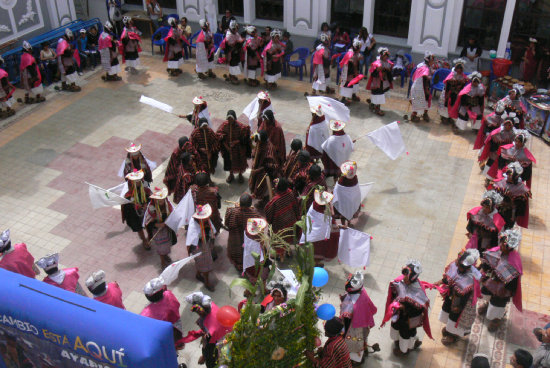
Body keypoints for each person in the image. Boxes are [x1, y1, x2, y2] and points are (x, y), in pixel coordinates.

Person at [381, 260, 433, 356]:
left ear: (413, 278)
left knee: (406, 334)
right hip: (398, 315)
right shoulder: (399, 282)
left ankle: (404, 350)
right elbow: (395, 293)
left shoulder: (419, 292)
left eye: (407, 277)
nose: (404, 278)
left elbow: (419, 310)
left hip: (408, 320)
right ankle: (398, 342)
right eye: (404, 275)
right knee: (396, 327)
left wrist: (404, 308)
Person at [478, 229, 523, 332]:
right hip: (490, 282)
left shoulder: (514, 263)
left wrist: (503, 287)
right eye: (502, 243)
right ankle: (488, 304)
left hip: (503, 289)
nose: (501, 246)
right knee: (486, 295)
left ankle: (497, 319)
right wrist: (483, 271)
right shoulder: (496, 251)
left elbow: (513, 282)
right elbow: (486, 264)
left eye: (505, 245)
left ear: (510, 247)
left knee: (496, 307)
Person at [435, 249, 481, 345]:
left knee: (454, 318)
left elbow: (465, 294)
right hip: (451, 296)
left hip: (461, 303)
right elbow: (448, 278)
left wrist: (459, 307)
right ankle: (449, 329)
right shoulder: (455, 265)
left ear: (468, 268)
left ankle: (453, 335)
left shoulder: (471, 278)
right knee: (447, 312)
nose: (457, 266)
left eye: (461, 266)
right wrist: (440, 282)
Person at [340, 272, 379, 365]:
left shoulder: (354, 306)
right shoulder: (362, 291)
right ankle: (360, 353)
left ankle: (357, 361)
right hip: (361, 324)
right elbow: (371, 308)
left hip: (354, 328)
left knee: (355, 343)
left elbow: (347, 317)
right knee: (360, 340)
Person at [185, 292, 231, 368]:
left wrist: (204, 356)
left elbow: (206, 342)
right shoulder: (212, 307)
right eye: (196, 310)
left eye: (199, 310)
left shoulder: (211, 328)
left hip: (218, 346)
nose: (198, 313)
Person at [225, 193, 262, 273]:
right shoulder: (254, 214)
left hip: (235, 240)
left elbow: (227, 224)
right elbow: (259, 227)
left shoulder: (232, 212)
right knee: (247, 253)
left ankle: (239, 265)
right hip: (248, 240)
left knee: (237, 252)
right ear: (250, 204)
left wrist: (236, 208)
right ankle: (247, 266)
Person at [265, 178, 300, 259]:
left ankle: (278, 254)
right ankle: (288, 250)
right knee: (288, 237)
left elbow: (268, 214)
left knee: (278, 239)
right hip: (291, 223)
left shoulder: (274, 201)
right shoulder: (291, 193)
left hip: (279, 227)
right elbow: (296, 207)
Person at [140, 277, 183, 343]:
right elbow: (177, 304)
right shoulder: (169, 294)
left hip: (163, 334)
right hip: (176, 325)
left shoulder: (145, 314)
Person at [300, 189, 337, 265]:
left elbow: (309, 219)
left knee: (312, 252)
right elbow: (332, 227)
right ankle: (318, 264)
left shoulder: (313, 206)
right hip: (321, 240)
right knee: (319, 252)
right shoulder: (327, 214)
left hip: (311, 236)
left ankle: (313, 264)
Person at [144, 187, 177, 268]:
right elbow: (148, 222)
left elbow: (172, 215)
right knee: (160, 247)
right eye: (159, 200)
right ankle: (162, 260)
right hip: (157, 232)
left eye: (162, 199)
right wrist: (157, 225)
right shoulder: (151, 208)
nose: (161, 201)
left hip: (166, 230)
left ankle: (165, 255)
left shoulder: (167, 205)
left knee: (167, 244)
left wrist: (167, 223)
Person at [479, 114, 516, 184]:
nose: (508, 127)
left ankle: (496, 180)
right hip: (495, 152)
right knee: (490, 164)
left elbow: (513, 145)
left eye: (509, 125)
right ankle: (487, 179)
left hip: (504, 155)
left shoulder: (513, 135)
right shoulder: (498, 132)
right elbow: (491, 137)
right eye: (506, 124)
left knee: (499, 168)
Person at [186, 204, 217, 291]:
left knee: (203, 263)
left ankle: (198, 274)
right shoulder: (194, 225)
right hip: (198, 247)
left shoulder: (206, 220)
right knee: (204, 265)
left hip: (205, 245)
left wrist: (211, 242)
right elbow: (192, 239)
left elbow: (211, 231)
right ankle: (207, 282)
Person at [492, 162, 531, 229]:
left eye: (510, 175)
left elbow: (521, 204)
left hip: (510, 213)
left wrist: (512, 199)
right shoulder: (501, 182)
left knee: (507, 227)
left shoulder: (521, 188)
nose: (508, 177)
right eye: (508, 174)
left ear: (515, 177)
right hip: (499, 209)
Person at [466, 190, 505, 254]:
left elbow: (498, 236)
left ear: (492, 208)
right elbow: (471, 223)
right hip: (475, 238)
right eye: (483, 206)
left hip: (487, 242)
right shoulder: (477, 212)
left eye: (487, 207)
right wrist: (470, 232)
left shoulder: (497, 220)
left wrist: (492, 245)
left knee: (483, 255)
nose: (484, 208)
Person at [217, 110, 251, 183]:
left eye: (231, 119)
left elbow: (245, 137)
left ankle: (240, 174)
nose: (230, 120)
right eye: (228, 119)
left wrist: (236, 142)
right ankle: (231, 174)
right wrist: (226, 146)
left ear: (235, 118)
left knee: (240, 161)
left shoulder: (240, 126)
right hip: (228, 149)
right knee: (230, 162)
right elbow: (219, 134)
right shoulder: (224, 125)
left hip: (238, 148)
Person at [122, 169, 152, 249]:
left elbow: (150, 198)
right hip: (134, 214)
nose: (138, 182)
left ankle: (149, 238)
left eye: (139, 180)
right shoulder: (129, 195)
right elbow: (126, 205)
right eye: (136, 181)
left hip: (146, 212)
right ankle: (144, 240)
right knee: (139, 227)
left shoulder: (146, 190)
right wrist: (134, 206)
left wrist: (147, 204)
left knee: (150, 225)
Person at [249, 130, 278, 203]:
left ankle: (264, 198)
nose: (257, 141)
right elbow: (255, 151)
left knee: (263, 188)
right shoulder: (260, 143)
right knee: (255, 183)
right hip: (257, 168)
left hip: (265, 173)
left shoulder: (269, 150)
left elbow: (270, 166)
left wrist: (257, 170)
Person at [438, 58, 468, 124]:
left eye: (461, 69)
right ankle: (444, 117)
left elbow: (463, 87)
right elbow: (447, 85)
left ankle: (449, 117)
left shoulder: (464, 77)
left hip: (456, 94)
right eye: (458, 68)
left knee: (453, 105)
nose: (459, 70)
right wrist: (447, 94)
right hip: (448, 93)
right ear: (456, 68)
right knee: (446, 105)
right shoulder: (451, 76)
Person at [333, 161, 362, 227]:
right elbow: (356, 190)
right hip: (351, 201)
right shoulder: (355, 179)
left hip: (343, 202)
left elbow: (337, 190)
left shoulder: (341, 180)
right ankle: (349, 223)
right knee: (350, 212)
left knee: (343, 213)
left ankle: (343, 224)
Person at [366, 47, 394, 116]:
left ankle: (373, 104)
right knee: (378, 94)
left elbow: (389, 72)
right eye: (385, 55)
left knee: (381, 94)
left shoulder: (388, 63)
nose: (386, 57)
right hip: (377, 82)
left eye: (387, 56)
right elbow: (372, 73)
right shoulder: (376, 63)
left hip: (384, 82)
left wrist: (388, 70)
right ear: (381, 55)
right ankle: (377, 108)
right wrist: (378, 70)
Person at [409, 51, 434, 122]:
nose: (433, 61)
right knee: (418, 101)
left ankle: (425, 114)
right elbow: (425, 74)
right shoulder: (424, 67)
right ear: (428, 60)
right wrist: (429, 77)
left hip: (423, 86)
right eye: (432, 60)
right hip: (419, 88)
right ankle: (413, 116)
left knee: (427, 99)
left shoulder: (423, 65)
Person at [339, 39, 363, 106]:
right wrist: (356, 74)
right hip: (348, 71)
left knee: (354, 83)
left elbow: (361, 57)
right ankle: (344, 98)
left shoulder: (355, 53)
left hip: (352, 70)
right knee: (348, 83)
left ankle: (353, 95)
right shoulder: (351, 54)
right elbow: (354, 64)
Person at [222, 20, 244, 85]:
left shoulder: (235, 33)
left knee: (236, 64)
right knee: (233, 64)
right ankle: (231, 76)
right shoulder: (229, 36)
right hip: (231, 53)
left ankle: (233, 75)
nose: (236, 30)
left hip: (236, 52)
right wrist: (237, 43)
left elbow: (239, 39)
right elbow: (231, 45)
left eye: (236, 28)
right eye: (234, 29)